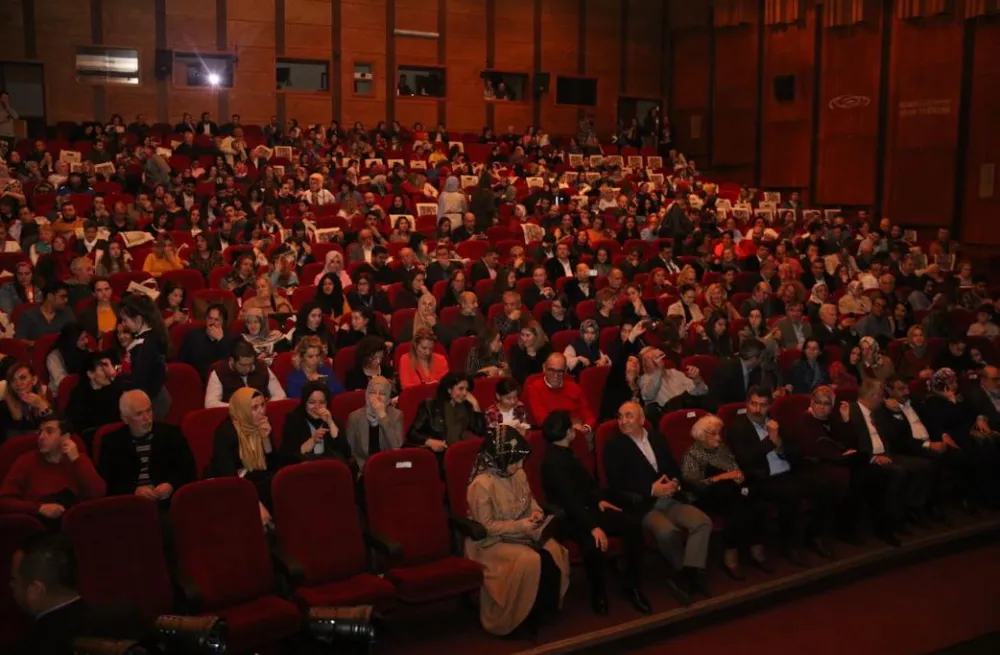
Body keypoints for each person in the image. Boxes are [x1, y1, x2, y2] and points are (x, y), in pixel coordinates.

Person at [541, 410, 651, 616]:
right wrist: (593, 527)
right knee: (593, 544)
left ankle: (632, 586)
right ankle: (598, 593)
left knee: (632, 524)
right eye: (571, 427)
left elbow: (587, 485)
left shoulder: (567, 451)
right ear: (567, 432)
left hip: (587, 509)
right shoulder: (553, 462)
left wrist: (599, 500)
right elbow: (570, 501)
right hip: (570, 518)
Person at [464, 425, 570, 637]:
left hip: (522, 533)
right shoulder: (481, 484)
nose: (520, 465)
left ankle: (543, 611)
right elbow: (486, 527)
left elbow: (530, 501)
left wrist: (536, 513)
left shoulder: (518, 473)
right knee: (528, 561)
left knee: (554, 551)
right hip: (490, 543)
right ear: (500, 459)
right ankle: (516, 618)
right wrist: (521, 526)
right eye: (514, 461)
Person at [602, 401, 712, 603]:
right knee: (667, 532)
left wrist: (675, 482)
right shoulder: (614, 446)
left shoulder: (657, 438)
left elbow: (672, 466)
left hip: (670, 499)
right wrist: (651, 490)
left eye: (629, 416)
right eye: (620, 416)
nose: (623, 421)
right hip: (644, 506)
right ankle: (684, 572)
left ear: (642, 419)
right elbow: (617, 483)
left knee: (702, 522)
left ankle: (687, 574)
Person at [726, 386, 838, 565]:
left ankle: (815, 535)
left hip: (788, 470)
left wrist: (780, 445)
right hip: (763, 477)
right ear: (747, 404)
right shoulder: (737, 428)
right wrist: (770, 441)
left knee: (825, 484)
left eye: (763, 405)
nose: (757, 409)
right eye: (753, 404)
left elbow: (796, 450)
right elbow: (744, 459)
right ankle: (790, 546)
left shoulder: (776, 422)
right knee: (790, 494)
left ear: (769, 406)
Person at [8, 533, 149, 655]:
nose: (11, 585)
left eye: (14, 579)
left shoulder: (30, 647)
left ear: (35, 590)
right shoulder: (125, 615)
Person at [839, 379, 936, 545]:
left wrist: (897, 414)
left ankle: (909, 511)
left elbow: (896, 435)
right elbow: (849, 441)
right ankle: (886, 527)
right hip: (867, 458)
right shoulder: (851, 410)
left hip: (887, 453)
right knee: (896, 473)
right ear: (872, 395)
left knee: (924, 466)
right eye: (880, 395)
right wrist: (872, 456)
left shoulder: (879, 411)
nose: (882, 399)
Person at [681, 415, 769, 579]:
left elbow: (735, 466)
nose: (718, 438)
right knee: (735, 505)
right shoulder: (692, 455)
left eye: (719, 433)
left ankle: (756, 548)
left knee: (756, 500)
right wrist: (722, 477)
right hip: (704, 496)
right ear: (702, 435)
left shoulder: (722, 448)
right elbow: (694, 485)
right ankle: (730, 556)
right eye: (713, 434)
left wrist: (738, 476)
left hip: (729, 489)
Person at [0, 416, 105, 520]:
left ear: (65, 437)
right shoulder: (26, 461)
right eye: (40, 432)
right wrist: (39, 508)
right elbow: (4, 501)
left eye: (49, 432)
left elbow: (98, 494)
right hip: (38, 523)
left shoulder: (78, 460)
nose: (41, 437)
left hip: (74, 521)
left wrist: (77, 461)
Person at [98, 390, 196, 499]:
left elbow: (189, 470)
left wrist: (171, 485)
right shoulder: (112, 442)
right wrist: (133, 491)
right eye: (139, 414)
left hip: (166, 502)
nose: (147, 418)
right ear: (125, 418)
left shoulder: (171, 434)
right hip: (129, 503)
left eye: (149, 411)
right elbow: (108, 483)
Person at [206, 387, 278, 526]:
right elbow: (228, 474)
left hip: (259, 481)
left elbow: (273, 466)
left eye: (262, 405)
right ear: (242, 409)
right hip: (234, 488)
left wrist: (266, 439)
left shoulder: (263, 424)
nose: (261, 411)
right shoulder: (225, 432)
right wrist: (256, 503)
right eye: (254, 407)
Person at [118, 295, 170, 420]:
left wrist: (117, 379)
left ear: (138, 319)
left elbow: (139, 380)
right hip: (153, 397)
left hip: (149, 402)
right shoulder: (152, 336)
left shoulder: (145, 345)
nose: (124, 324)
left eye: (125, 320)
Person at [407, 372, 486, 453]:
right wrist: (429, 442)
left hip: (459, 452)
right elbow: (412, 433)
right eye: (461, 389)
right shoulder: (430, 406)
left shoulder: (466, 406)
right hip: (437, 453)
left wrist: (476, 405)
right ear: (449, 389)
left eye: (467, 389)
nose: (465, 393)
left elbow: (480, 432)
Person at [279, 380, 351, 467]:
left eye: (322, 402)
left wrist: (331, 423)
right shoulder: (293, 421)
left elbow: (346, 454)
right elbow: (286, 458)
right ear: (304, 403)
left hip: (329, 468)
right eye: (312, 402)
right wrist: (312, 441)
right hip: (304, 469)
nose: (317, 407)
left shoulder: (332, 420)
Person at [523, 353, 598, 434]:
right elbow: (543, 421)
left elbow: (589, 416)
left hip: (579, 431)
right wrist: (570, 426)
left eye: (560, 371)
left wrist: (585, 428)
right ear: (544, 368)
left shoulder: (574, 387)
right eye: (551, 370)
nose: (556, 375)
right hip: (553, 435)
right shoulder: (534, 388)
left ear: (565, 370)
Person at [64, 351, 124, 445]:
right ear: (90, 374)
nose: (109, 373)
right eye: (103, 370)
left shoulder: (117, 389)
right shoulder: (79, 395)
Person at [346, 376, 404, 472]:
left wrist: (383, 416)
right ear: (366, 395)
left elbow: (396, 447)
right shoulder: (354, 417)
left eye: (382, 393)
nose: (377, 397)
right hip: (364, 468)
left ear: (388, 398)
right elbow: (350, 452)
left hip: (389, 467)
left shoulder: (397, 415)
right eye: (372, 392)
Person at [205, 340, 287, 408]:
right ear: (232, 361)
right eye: (243, 365)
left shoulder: (261, 367)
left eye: (250, 364)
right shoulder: (219, 371)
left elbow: (280, 395)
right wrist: (241, 408)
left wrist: (262, 406)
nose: (248, 369)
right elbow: (210, 404)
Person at [178, 303, 236, 380]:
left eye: (217, 320)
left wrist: (221, 340)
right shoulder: (193, 336)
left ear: (224, 322)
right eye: (210, 318)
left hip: (220, 380)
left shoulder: (230, 339)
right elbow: (181, 363)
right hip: (195, 379)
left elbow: (229, 367)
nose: (212, 323)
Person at [0, 363, 54, 440]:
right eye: (13, 380)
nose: (18, 384)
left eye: (22, 378)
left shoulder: (46, 397)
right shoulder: (4, 406)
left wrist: (41, 405)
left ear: (34, 380)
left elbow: (55, 428)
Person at [285, 335, 345, 399]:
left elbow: (341, 394)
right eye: (310, 356)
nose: (315, 360)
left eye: (317, 356)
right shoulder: (294, 379)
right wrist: (311, 385)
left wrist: (325, 386)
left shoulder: (326, 371)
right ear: (301, 357)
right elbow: (298, 402)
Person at [45, 322, 91, 395]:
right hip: (62, 394)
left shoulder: (87, 351)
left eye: (86, 337)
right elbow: (62, 383)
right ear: (71, 341)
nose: (87, 341)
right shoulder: (54, 357)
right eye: (82, 339)